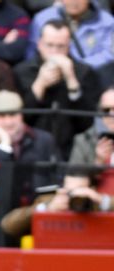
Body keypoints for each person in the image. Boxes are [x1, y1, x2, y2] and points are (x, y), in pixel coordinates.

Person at [0, 89, 58, 246]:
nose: (8, 122)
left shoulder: (43, 140)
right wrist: (4, 146)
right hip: (0, 217)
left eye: (13, 115)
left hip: (38, 213)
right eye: (1, 116)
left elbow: (58, 176)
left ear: (22, 115)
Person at [14, 19, 99, 159]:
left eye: (60, 47)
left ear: (69, 47)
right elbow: (21, 118)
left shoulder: (84, 72)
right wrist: (40, 84)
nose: (54, 52)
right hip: (31, 147)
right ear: (39, 44)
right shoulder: (22, 71)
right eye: (50, 45)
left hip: (72, 149)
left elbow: (87, 122)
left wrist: (72, 81)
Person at [0, 164, 113, 242]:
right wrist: (46, 209)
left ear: (91, 189)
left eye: (79, 189)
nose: (74, 195)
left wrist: (102, 201)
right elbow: (8, 226)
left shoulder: (97, 202)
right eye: (70, 190)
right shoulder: (52, 200)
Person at [29, 0, 114, 72]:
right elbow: (31, 53)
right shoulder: (42, 19)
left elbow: (110, 54)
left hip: (92, 76)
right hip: (49, 74)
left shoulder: (107, 22)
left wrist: (76, 68)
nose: (74, 1)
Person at [69, 86, 114, 166]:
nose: (111, 114)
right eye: (106, 110)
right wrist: (98, 163)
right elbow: (74, 177)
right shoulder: (85, 140)